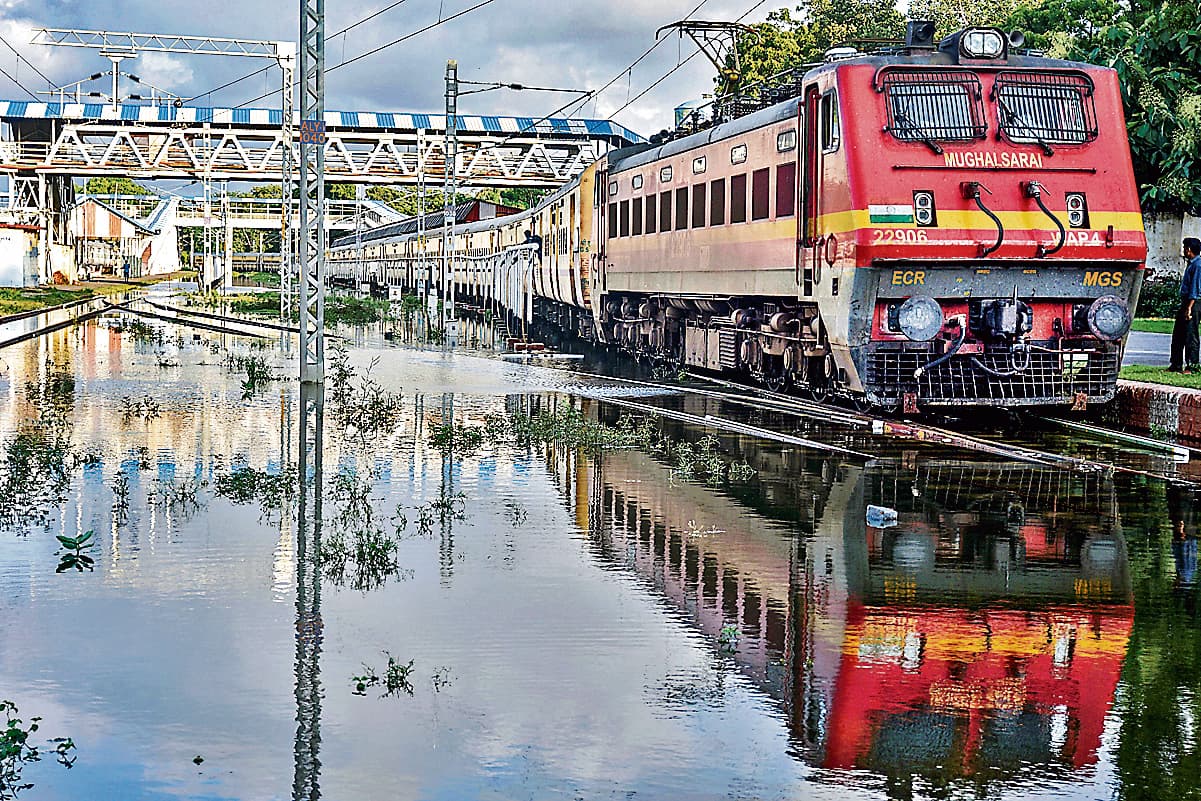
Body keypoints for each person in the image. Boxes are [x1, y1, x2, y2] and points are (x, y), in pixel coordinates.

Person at [1169, 236, 1201, 373]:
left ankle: (1192, 365)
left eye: (1184, 248)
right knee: (1178, 334)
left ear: (1189, 249)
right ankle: (1175, 364)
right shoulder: (1191, 264)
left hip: (1193, 302)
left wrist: (1189, 307)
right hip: (1186, 301)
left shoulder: (1198, 265)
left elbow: (1195, 288)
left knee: (1190, 334)